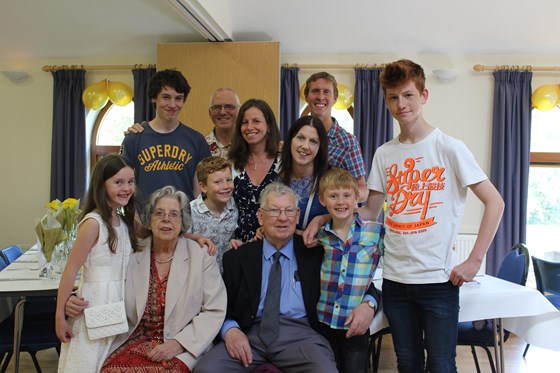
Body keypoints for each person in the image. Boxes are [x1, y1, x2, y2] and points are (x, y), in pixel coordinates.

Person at [362, 59, 505, 372]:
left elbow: (495, 202)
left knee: (441, 365)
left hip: (439, 282)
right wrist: (326, 216)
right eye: (393, 97)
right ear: (386, 101)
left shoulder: (449, 148)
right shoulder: (384, 153)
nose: (402, 104)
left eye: (409, 95)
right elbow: (370, 213)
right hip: (395, 282)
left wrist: (474, 261)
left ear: (424, 95)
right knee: (408, 363)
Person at [67, 186, 227, 372]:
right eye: (159, 213)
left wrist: (178, 344)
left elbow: (214, 310)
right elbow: (105, 282)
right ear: (149, 220)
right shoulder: (131, 252)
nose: (166, 219)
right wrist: (73, 298)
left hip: (181, 346)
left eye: (174, 214)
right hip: (134, 339)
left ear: (183, 222)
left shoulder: (201, 256)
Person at [193, 182, 338, 373]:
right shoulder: (236, 258)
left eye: (289, 211)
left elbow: (351, 280)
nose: (283, 218)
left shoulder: (316, 254)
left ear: (297, 216)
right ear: (260, 217)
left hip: (301, 336)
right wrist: (230, 331)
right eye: (275, 211)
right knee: (206, 370)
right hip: (249, 334)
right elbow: (221, 304)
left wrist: (370, 302)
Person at [56, 154, 139, 373]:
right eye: (118, 182)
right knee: (86, 363)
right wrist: (60, 316)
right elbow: (71, 269)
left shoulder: (123, 221)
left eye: (130, 182)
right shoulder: (93, 223)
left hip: (120, 304)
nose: (126, 188)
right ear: (102, 184)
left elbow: (157, 233)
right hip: (95, 304)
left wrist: (193, 238)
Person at [315, 167, 383, 373]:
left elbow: (397, 264)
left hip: (355, 325)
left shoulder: (375, 232)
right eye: (333, 196)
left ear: (356, 200)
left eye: (346, 195)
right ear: (322, 200)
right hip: (323, 321)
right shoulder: (319, 237)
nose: (341, 201)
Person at [120, 69, 211, 204]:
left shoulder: (197, 140)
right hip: (143, 221)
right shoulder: (134, 139)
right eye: (166, 97)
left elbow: (202, 190)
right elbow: (123, 185)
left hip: (184, 220)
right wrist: (134, 218)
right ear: (153, 98)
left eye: (178, 98)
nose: (173, 104)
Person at [304, 72, 368, 201]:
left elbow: (362, 189)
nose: (320, 97)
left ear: (335, 98)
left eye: (326, 92)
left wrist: (340, 201)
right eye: (315, 91)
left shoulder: (348, 143)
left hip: (329, 217)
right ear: (306, 97)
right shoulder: (297, 137)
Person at [229, 99, 281, 245]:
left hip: (275, 243)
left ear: (269, 126)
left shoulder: (284, 162)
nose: (249, 127)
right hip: (239, 245)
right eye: (244, 122)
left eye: (256, 121)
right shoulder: (231, 164)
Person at [278, 115, 329, 232]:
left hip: (320, 249)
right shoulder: (275, 180)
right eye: (300, 138)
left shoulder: (331, 180)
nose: (305, 146)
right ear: (290, 140)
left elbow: (351, 215)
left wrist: (321, 219)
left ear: (320, 147)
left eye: (313, 141)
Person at [188, 156, 238, 273]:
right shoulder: (191, 210)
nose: (225, 186)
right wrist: (195, 238)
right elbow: (180, 238)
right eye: (217, 182)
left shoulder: (235, 207)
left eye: (229, 180)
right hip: (200, 275)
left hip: (228, 275)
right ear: (203, 187)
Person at [206, 88, 240, 158]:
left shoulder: (249, 145)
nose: (222, 112)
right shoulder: (200, 146)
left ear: (239, 111)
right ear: (210, 113)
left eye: (229, 107)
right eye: (217, 107)